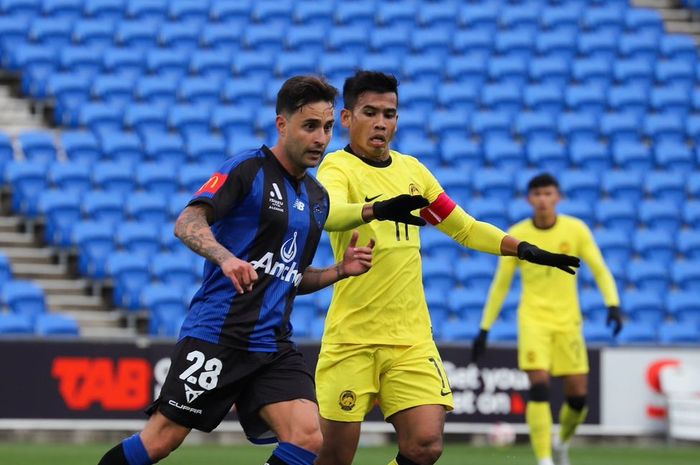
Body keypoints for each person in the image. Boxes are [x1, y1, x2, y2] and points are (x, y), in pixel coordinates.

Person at [96, 76, 382, 465]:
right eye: (310, 126)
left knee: (308, 437)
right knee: (160, 441)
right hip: (219, 336)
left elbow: (289, 278)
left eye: (328, 127)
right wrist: (225, 257)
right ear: (282, 125)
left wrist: (338, 271)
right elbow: (187, 222)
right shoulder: (248, 169)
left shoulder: (317, 199)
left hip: (272, 346)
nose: (321, 138)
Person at [313, 70, 581, 465]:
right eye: (370, 112)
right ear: (348, 118)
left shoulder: (413, 173)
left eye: (390, 114)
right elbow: (330, 213)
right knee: (335, 458)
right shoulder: (337, 168)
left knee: (425, 446)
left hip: (411, 339)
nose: (381, 123)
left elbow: (465, 228)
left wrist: (522, 248)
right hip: (352, 338)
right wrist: (377, 209)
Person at [472, 173, 623, 465]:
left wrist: (613, 304)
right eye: (537, 194)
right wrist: (484, 328)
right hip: (533, 320)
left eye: (548, 194)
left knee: (578, 397)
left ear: (558, 198)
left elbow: (600, 269)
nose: (543, 200)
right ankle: (544, 460)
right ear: (529, 199)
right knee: (539, 385)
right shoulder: (517, 233)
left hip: (569, 323)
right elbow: (500, 284)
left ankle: (562, 443)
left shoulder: (576, 230)